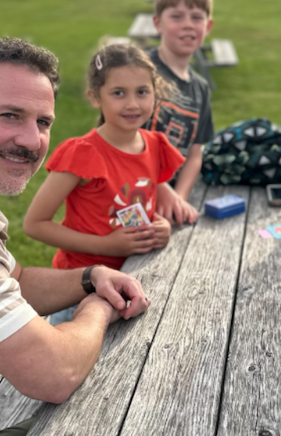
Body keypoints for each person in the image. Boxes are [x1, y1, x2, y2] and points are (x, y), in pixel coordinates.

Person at [0, 38, 150, 436]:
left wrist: (90, 277)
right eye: (10, 115)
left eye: (43, 122)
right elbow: (55, 373)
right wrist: (99, 307)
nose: (33, 141)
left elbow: (14, 282)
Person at [23, 43, 184, 324]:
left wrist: (161, 226)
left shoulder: (156, 146)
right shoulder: (82, 154)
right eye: (118, 93)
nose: (133, 104)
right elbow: (35, 224)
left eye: (142, 92)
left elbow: (138, 201)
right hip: (80, 291)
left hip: (135, 280)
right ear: (96, 97)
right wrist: (108, 246)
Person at [146, 0, 215, 225]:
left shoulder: (202, 88)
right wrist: (163, 191)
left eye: (196, 17)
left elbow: (196, 153)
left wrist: (179, 199)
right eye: (176, 16)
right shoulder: (140, 71)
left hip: (168, 203)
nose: (188, 25)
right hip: (126, 192)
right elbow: (120, 139)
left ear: (208, 26)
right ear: (158, 23)